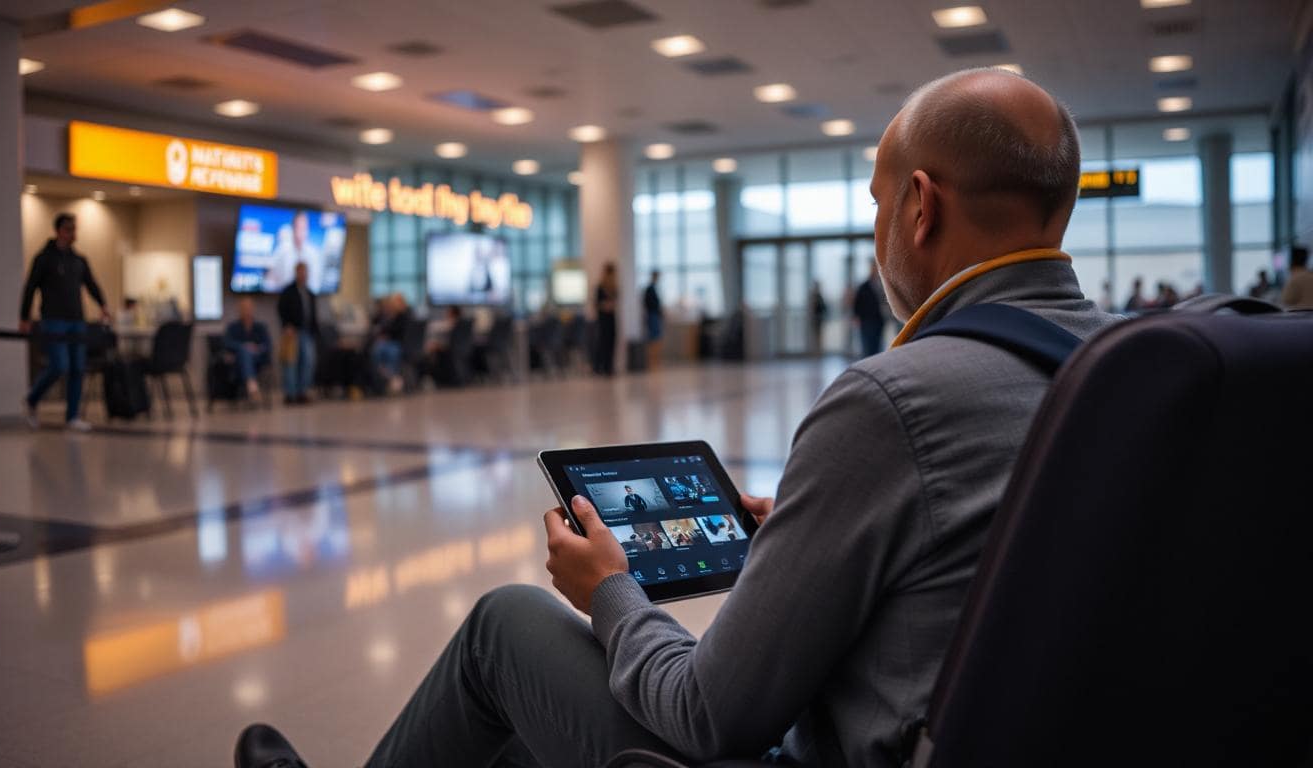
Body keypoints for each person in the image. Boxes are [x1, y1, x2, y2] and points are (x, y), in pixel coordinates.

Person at [234, 68, 1119, 768]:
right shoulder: (1125, 371)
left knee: (506, 630)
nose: (880, 226)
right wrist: (815, 546)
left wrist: (610, 590)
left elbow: (706, 714)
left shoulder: (894, 401)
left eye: (881, 203)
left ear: (921, 207)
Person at [19, 212, 111, 431]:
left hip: (76, 321)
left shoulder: (78, 260)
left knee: (77, 368)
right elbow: (30, 288)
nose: (73, 234)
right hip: (53, 320)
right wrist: (24, 317)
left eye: (74, 229)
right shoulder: (44, 259)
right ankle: (32, 399)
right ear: (59, 230)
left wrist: (103, 305)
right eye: (69, 229)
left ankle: (72, 416)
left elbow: (91, 284)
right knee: (59, 365)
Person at [276, 262, 318, 405]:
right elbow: (281, 310)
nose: (303, 275)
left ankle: (302, 392)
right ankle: (290, 393)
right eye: (301, 272)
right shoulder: (288, 292)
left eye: (305, 272)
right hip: (292, 333)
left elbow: (313, 315)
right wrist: (287, 326)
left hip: (307, 332)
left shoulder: (310, 293)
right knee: (291, 363)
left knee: (307, 363)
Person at [224, 297, 272, 403]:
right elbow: (227, 342)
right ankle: (252, 387)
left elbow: (267, 345)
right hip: (238, 361)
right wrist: (244, 346)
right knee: (244, 351)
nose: (247, 311)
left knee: (245, 353)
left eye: (249, 308)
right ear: (239, 310)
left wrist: (257, 348)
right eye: (244, 308)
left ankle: (251, 385)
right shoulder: (233, 327)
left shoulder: (260, 327)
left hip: (258, 359)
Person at [367, 294, 409, 395]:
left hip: (397, 343)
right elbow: (376, 325)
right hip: (384, 343)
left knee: (389, 351)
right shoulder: (386, 316)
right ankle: (380, 377)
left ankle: (392, 377)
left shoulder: (403, 316)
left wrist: (386, 337)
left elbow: (398, 332)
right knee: (377, 350)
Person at [852, 263, 885, 357]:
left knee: (877, 345)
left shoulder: (881, 285)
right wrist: (856, 317)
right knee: (867, 346)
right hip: (866, 320)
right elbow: (857, 303)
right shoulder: (863, 286)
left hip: (878, 320)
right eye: (873, 268)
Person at [592, 262, 619, 375]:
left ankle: (609, 367)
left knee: (612, 342)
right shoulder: (600, 287)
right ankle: (600, 367)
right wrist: (605, 306)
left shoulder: (614, 287)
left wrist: (611, 305)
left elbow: (616, 301)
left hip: (611, 318)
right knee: (603, 343)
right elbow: (597, 304)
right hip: (603, 319)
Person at [643, 269, 664, 345]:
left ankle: (655, 356)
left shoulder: (653, 288)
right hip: (652, 315)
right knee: (653, 338)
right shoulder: (650, 289)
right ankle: (653, 356)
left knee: (656, 337)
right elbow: (648, 303)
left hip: (654, 315)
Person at [810, 280, 829, 355]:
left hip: (819, 318)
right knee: (816, 335)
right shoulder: (814, 296)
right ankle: (816, 351)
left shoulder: (819, 296)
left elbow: (823, 307)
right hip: (816, 318)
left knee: (819, 335)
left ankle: (818, 351)